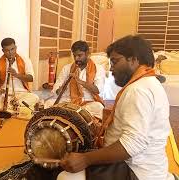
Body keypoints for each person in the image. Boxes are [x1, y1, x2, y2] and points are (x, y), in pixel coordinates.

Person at [57, 35, 172, 180]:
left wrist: (86, 159)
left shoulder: (138, 90)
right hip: (147, 166)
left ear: (133, 60)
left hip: (135, 170)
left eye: (115, 61)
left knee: (65, 177)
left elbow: (132, 145)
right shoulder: (149, 83)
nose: (111, 68)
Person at [45, 41, 105, 119]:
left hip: (88, 102)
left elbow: (97, 90)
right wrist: (61, 88)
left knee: (98, 107)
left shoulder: (98, 68)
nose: (76, 58)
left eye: (80, 55)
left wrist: (79, 81)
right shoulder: (67, 68)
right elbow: (56, 90)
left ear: (87, 54)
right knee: (48, 103)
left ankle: (73, 114)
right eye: (74, 56)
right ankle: (74, 114)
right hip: (68, 101)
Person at [0, 38, 39, 113]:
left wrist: (17, 75)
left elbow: (31, 78)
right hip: (4, 95)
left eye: (12, 49)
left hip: (21, 94)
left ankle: (6, 109)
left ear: (16, 47)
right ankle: (14, 109)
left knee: (34, 97)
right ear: (3, 51)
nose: (10, 52)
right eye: (7, 50)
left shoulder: (25, 60)